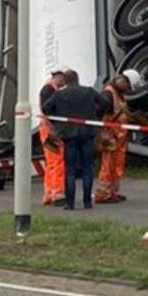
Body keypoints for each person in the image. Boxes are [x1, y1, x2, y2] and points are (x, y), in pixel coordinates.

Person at [41, 69, 111, 210]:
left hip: (69, 135)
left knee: (70, 169)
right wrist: (96, 117)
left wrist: (59, 122)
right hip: (87, 133)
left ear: (65, 81)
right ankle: (87, 202)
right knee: (87, 168)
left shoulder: (60, 94)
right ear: (78, 79)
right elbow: (105, 103)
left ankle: (70, 202)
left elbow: (46, 107)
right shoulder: (89, 91)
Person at [95, 69, 141, 204]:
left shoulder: (119, 94)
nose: (128, 90)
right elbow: (99, 115)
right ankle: (103, 194)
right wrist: (102, 133)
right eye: (128, 86)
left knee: (117, 165)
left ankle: (113, 192)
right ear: (123, 80)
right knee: (108, 165)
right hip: (110, 135)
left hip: (119, 137)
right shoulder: (108, 94)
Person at [38, 67, 68, 207]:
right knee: (57, 161)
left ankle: (49, 193)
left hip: (47, 129)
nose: (65, 83)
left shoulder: (48, 88)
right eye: (64, 79)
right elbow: (48, 110)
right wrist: (55, 128)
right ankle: (57, 193)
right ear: (59, 76)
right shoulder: (49, 90)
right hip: (51, 129)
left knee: (51, 162)